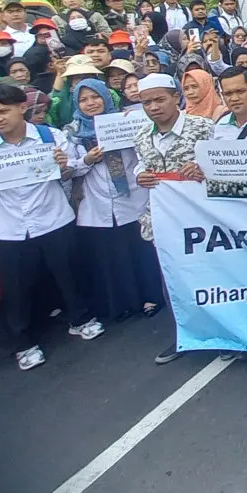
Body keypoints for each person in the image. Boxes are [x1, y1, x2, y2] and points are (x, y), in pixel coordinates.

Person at [0, 82, 105, 371]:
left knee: (68, 274)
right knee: (16, 289)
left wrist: (64, 164)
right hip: (9, 228)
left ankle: (80, 319)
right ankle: (24, 343)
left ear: (22, 108)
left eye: (3, 112)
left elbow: (70, 173)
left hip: (53, 218)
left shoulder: (49, 136)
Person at [132, 73, 216, 364]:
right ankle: (186, 335)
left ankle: (224, 333)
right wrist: (139, 176)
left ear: (175, 98)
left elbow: (224, 165)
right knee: (172, 280)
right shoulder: (142, 135)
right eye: (146, 102)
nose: (154, 107)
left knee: (211, 277)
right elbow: (142, 166)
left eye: (159, 99)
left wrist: (205, 168)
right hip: (162, 221)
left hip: (201, 220)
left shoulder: (204, 127)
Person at [66, 78, 162, 322]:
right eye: (83, 99)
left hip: (133, 194)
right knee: (110, 257)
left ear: (106, 97)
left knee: (141, 250)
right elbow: (66, 171)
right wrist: (87, 160)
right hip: (98, 201)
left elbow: (146, 152)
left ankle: (151, 296)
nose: (90, 103)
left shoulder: (127, 121)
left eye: (95, 97)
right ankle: (122, 303)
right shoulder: (73, 132)